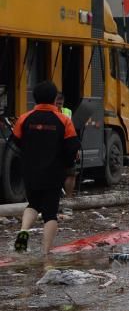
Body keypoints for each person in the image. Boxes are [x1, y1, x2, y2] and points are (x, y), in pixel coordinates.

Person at [12, 81, 81, 255]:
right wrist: (67, 163)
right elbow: (72, 147)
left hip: (30, 170)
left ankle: (24, 231)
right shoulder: (63, 120)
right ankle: (45, 252)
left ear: (34, 97)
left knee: (33, 203)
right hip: (53, 171)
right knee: (50, 213)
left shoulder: (24, 118)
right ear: (54, 98)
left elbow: (15, 141)